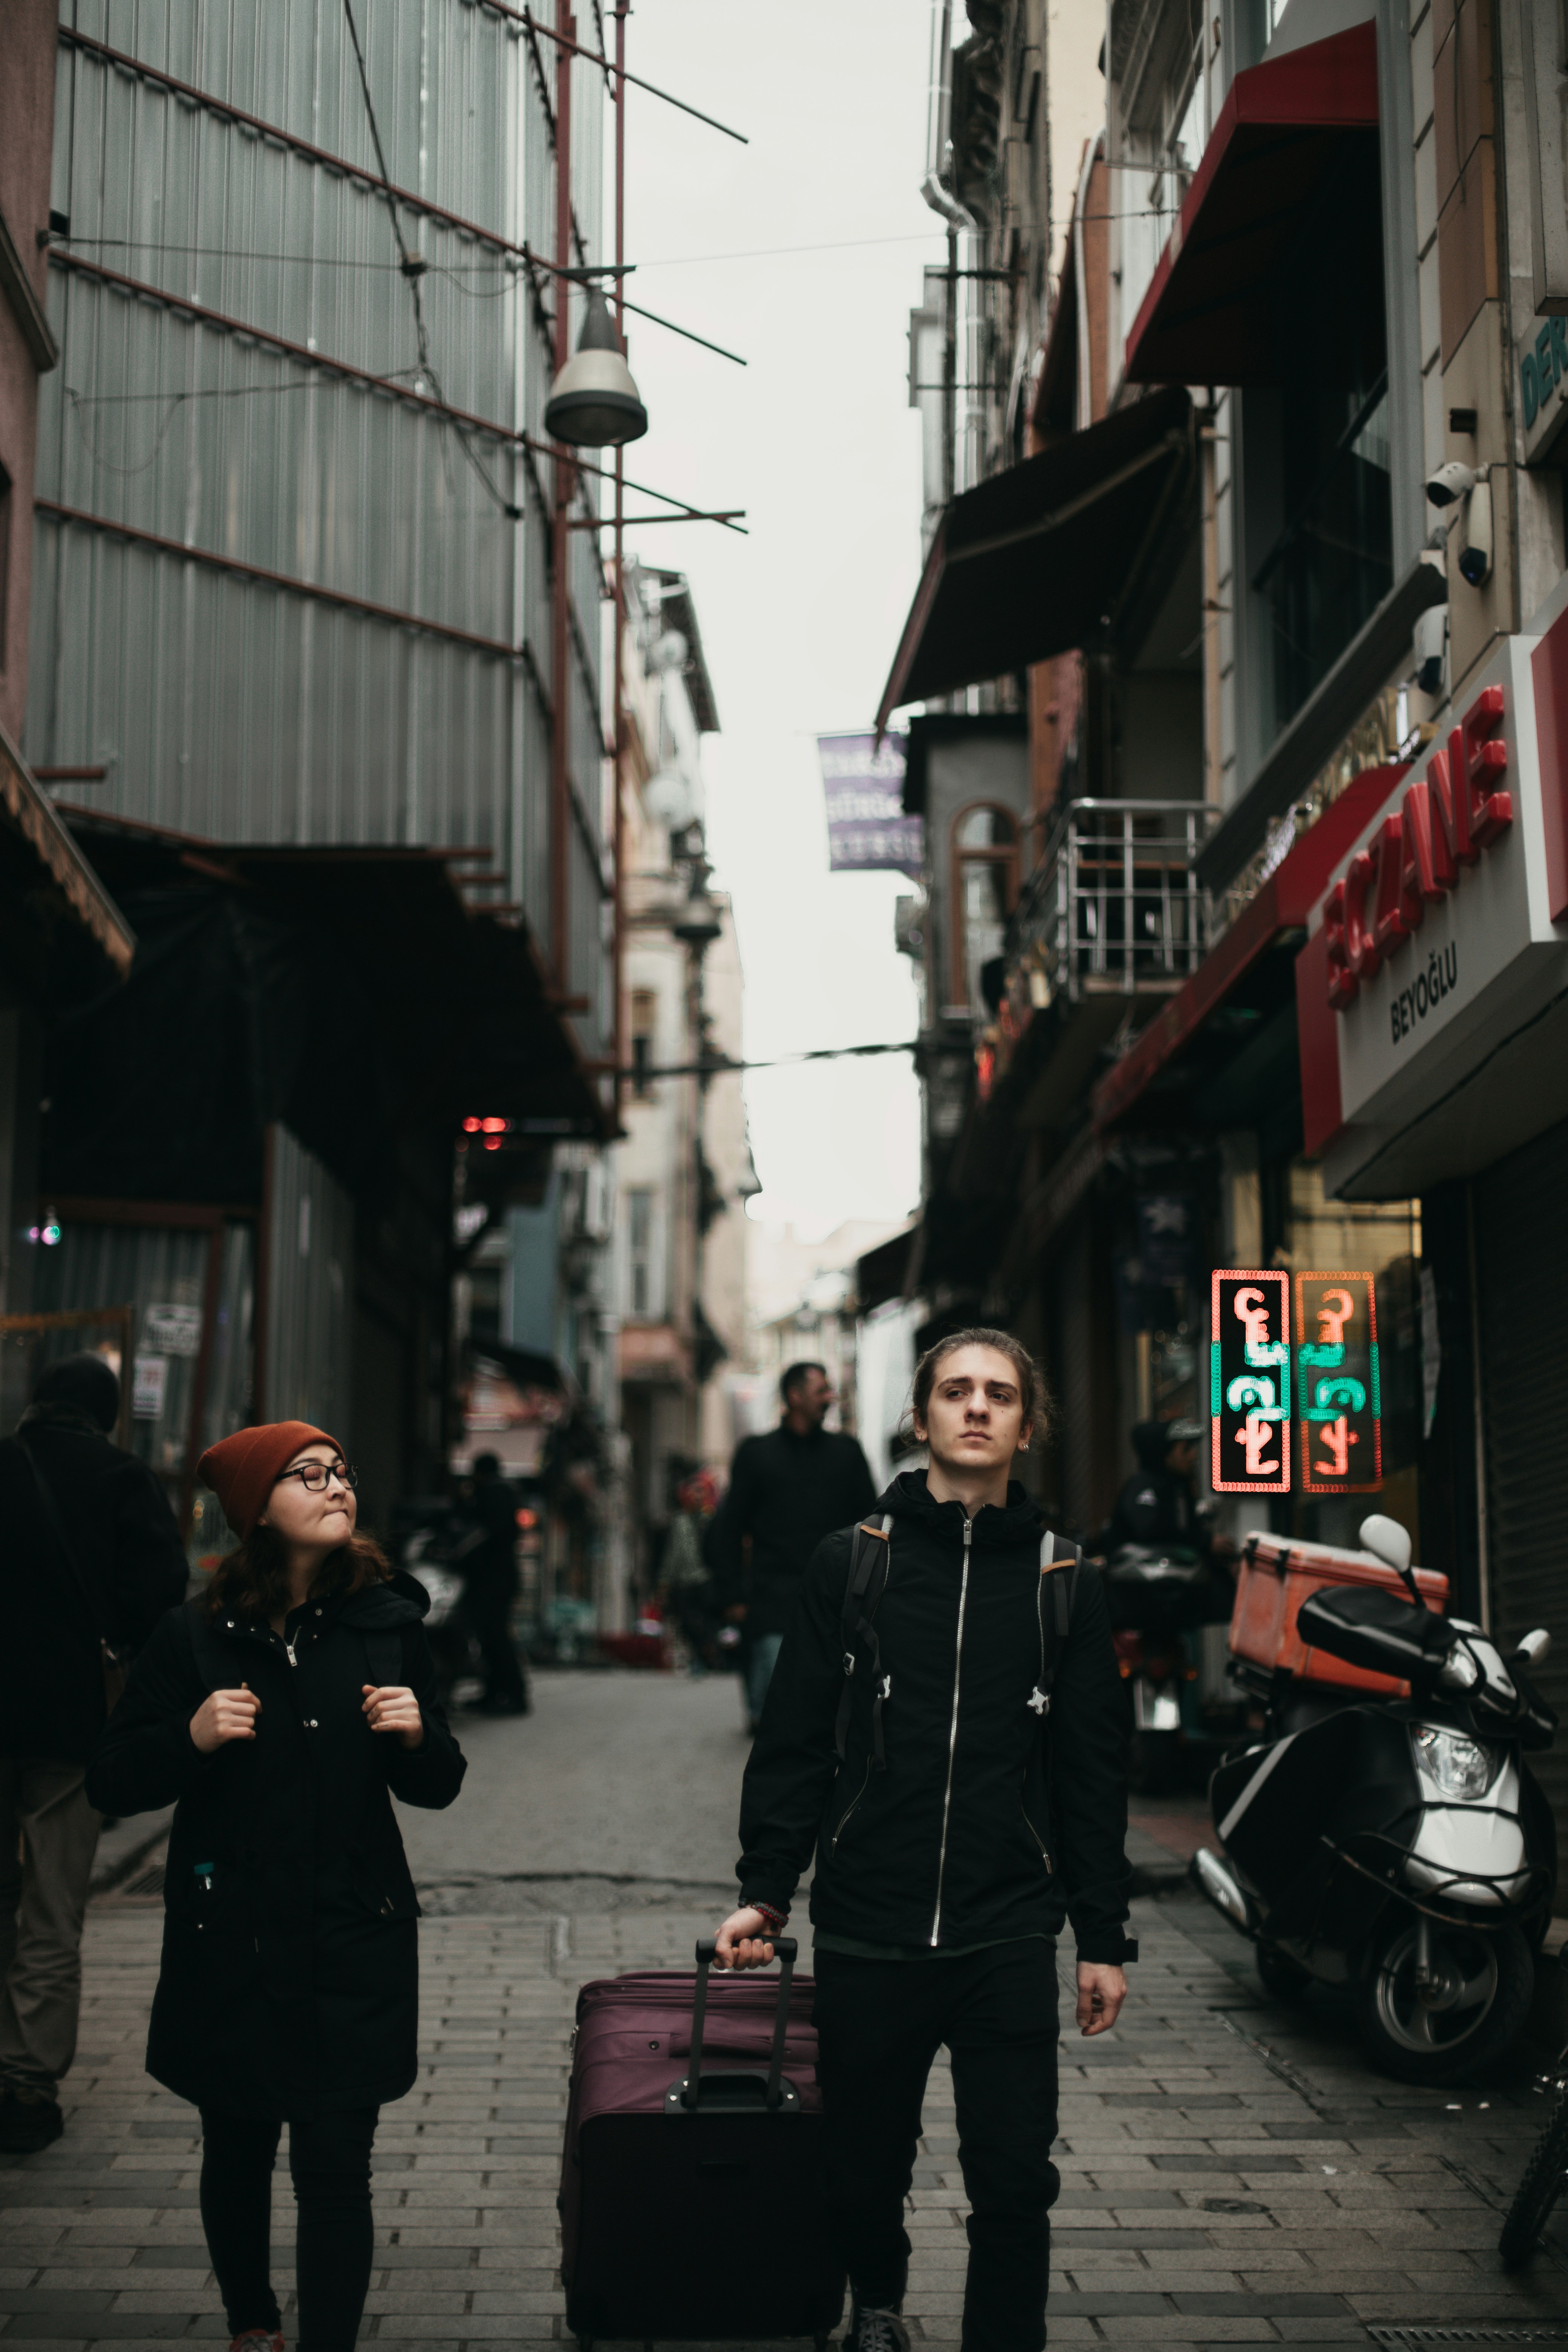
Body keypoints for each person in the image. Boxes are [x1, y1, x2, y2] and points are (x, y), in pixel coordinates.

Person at [712, 1329, 1134, 2352]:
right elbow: (798, 1741)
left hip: (1005, 1932)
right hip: (870, 1924)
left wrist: (1103, 1938)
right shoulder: (854, 1563)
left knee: (1014, 2179)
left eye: (999, 1394)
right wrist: (767, 1890)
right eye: (956, 1391)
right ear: (921, 1416)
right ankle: (880, 2302)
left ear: (1027, 1425)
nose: (977, 1408)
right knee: (860, 2170)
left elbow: (1090, 1772)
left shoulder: (1066, 1579)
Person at [85, 1421, 466, 2352]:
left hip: (353, 1932)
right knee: (241, 2142)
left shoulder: (387, 1626)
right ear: (258, 1507)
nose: (337, 1487)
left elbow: (439, 1784)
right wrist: (191, 1737)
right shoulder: (193, 1636)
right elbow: (113, 1780)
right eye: (310, 1475)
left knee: (337, 2165)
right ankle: (252, 2324)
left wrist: (417, 1736)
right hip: (234, 1939)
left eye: (342, 1471)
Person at [0, 1351, 188, 2154]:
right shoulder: (122, 1479)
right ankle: (25, 2084)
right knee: (50, 1905)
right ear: (107, 1415)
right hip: (67, 1723)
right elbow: (159, 1603)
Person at [704, 1361, 876, 1732]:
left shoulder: (847, 1454)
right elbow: (729, 1528)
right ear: (794, 1396)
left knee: (828, 1711)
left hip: (836, 1599)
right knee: (768, 1711)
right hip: (771, 1600)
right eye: (821, 1391)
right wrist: (731, 1593)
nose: (830, 1398)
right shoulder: (756, 1454)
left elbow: (872, 1526)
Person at [457, 1452, 529, 1714]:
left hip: (493, 1579)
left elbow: (484, 1534)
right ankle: (497, 1693)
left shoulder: (493, 1493)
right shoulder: (505, 1492)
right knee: (492, 1637)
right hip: (500, 1577)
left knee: (495, 1637)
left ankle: (512, 1695)